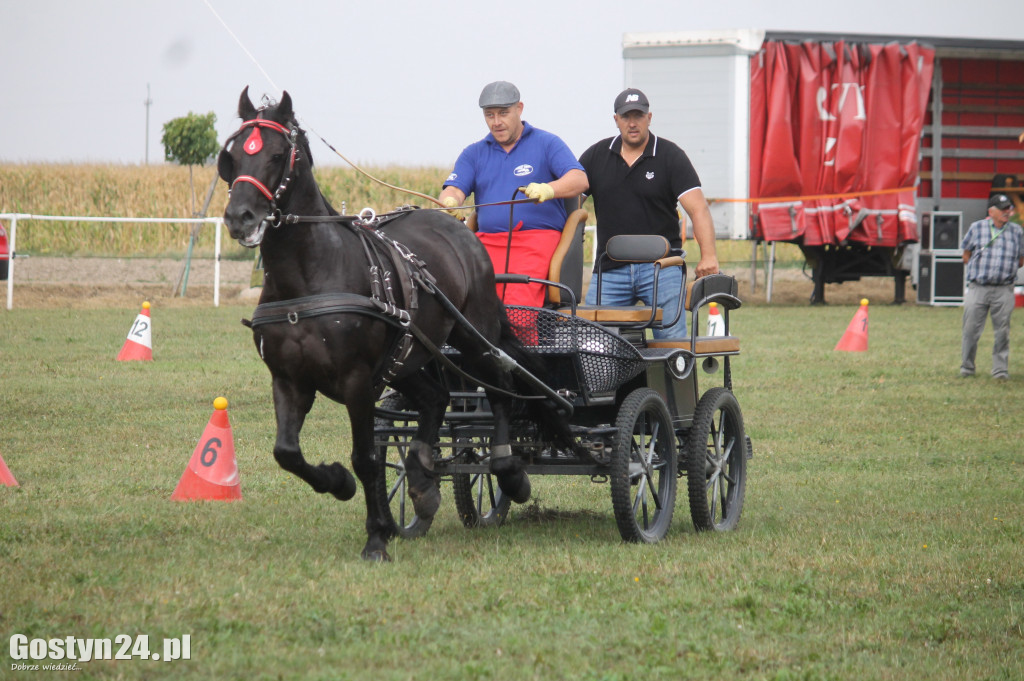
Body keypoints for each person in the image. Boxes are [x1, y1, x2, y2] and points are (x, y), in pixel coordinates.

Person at [579, 88, 719, 338]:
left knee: (672, 347)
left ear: (649, 117)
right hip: (610, 269)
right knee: (593, 343)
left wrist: (708, 256)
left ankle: (673, 375)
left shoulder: (670, 156)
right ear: (616, 120)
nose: (632, 123)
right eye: (626, 117)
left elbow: (698, 209)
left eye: (639, 116)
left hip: (662, 268)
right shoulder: (595, 157)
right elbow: (570, 204)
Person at [439, 81, 588, 307]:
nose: (496, 122)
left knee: (516, 307)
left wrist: (549, 189)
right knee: (463, 302)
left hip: (537, 240)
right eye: (489, 115)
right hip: (487, 243)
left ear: (519, 108)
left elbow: (579, 179)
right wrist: (450, 202)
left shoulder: (547, 143)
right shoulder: (474, 153)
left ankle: (522, 342)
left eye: (503, 113)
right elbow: (455, 188)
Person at [959, 193, 1024, 380]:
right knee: (970, 329)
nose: (1007, 212)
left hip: (1004, 289)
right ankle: (967, 367)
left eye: (1009, 209)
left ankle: (1000, 370)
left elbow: (1020, 260)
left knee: (1002, 331)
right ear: (991, 212)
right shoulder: (976, 228)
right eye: (1003, 209)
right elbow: (966, 254)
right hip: (978, 287)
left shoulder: (1017, 231)